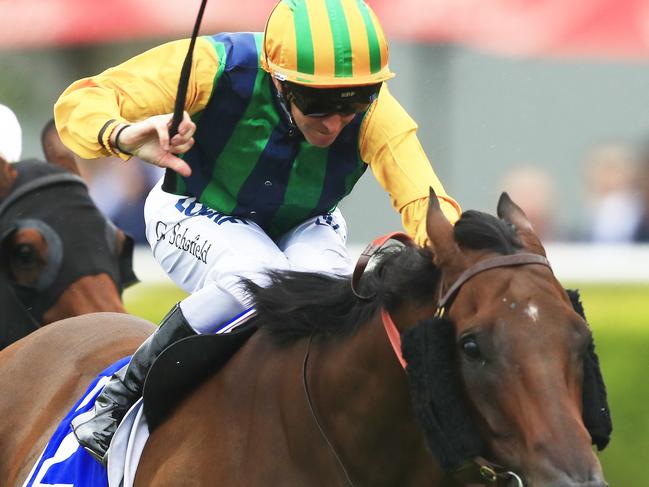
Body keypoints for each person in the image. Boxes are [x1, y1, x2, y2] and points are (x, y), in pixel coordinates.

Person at [54, 0, 461, 463]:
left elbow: (425, 203)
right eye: (318, 102)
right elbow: (78, 102)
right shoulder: (216, 65)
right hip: (190, 207)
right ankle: (121, 395)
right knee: (258, 278)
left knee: (333, 301)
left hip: (304, 222)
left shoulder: (377, 114)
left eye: (357, 100)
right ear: (277, 79)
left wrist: (461, 264)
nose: (335, 122)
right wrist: (122, 136)